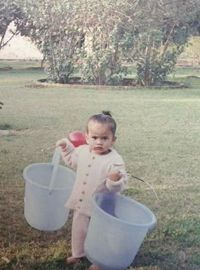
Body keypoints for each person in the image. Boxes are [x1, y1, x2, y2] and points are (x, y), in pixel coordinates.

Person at [56, 111, 128, 270]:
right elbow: (72, 161)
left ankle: (99, 260)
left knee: (100, 233)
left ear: (113, 140)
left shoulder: (115, 160)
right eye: (94, 138)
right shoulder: (82, 151)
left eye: (104, 138)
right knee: (79, 229)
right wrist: (66, 147)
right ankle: (78, 253)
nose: (99, 142)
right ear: (87, 137)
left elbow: (119, 186)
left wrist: (114, 180)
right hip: (82, 201)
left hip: (102, 206)